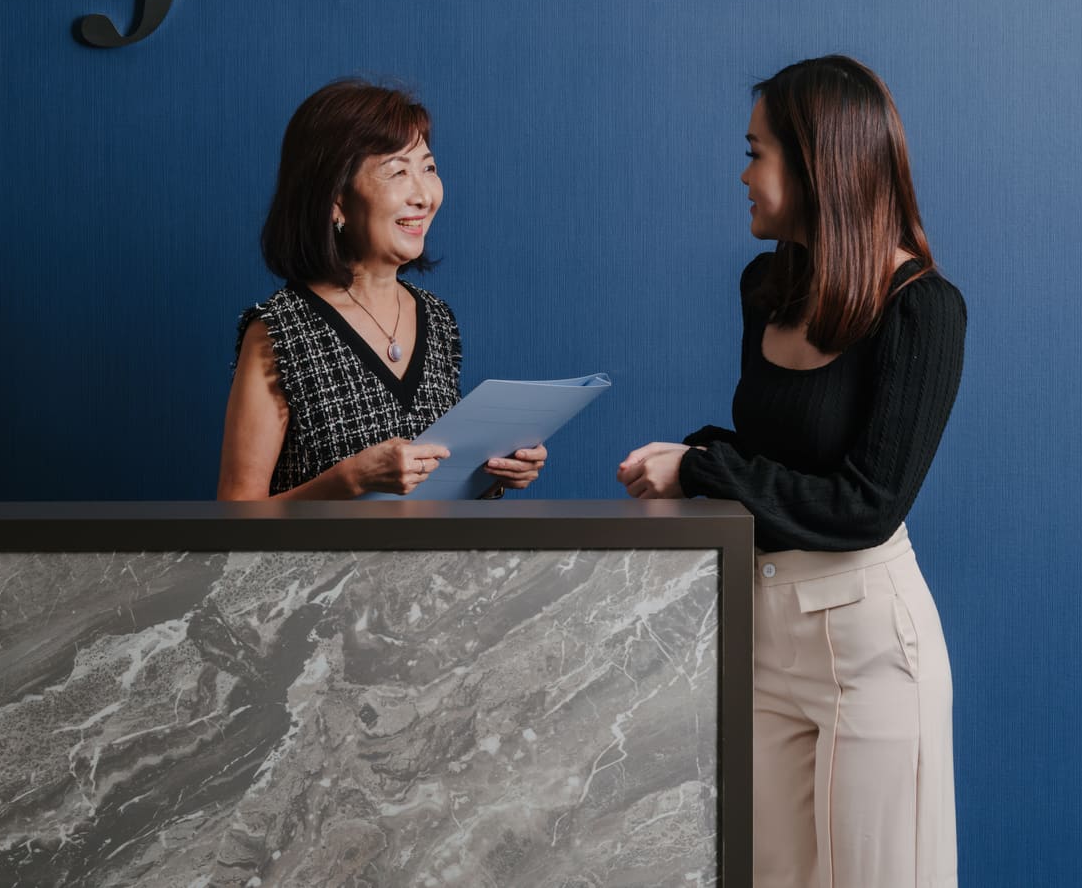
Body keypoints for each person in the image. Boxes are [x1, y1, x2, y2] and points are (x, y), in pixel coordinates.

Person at [617, 55, 964, 888]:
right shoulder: (764, 286)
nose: (742, 174)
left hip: (871, 645)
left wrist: (702, 469)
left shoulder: (922, 309)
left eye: (756, 151)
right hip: (764, 626)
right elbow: (773, 452)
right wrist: (690, 459)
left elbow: (863, 505)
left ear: (818, 164)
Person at [217, 79, 547, 500]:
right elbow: (234, 519)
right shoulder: (279, 332)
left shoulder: (437, 318)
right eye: (398, 172)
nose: (424, 195)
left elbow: (437, 489)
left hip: (440, 567)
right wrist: (347, 482)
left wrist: (494, 471)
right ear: (335, 199)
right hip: (326, 569)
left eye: (428, 167)